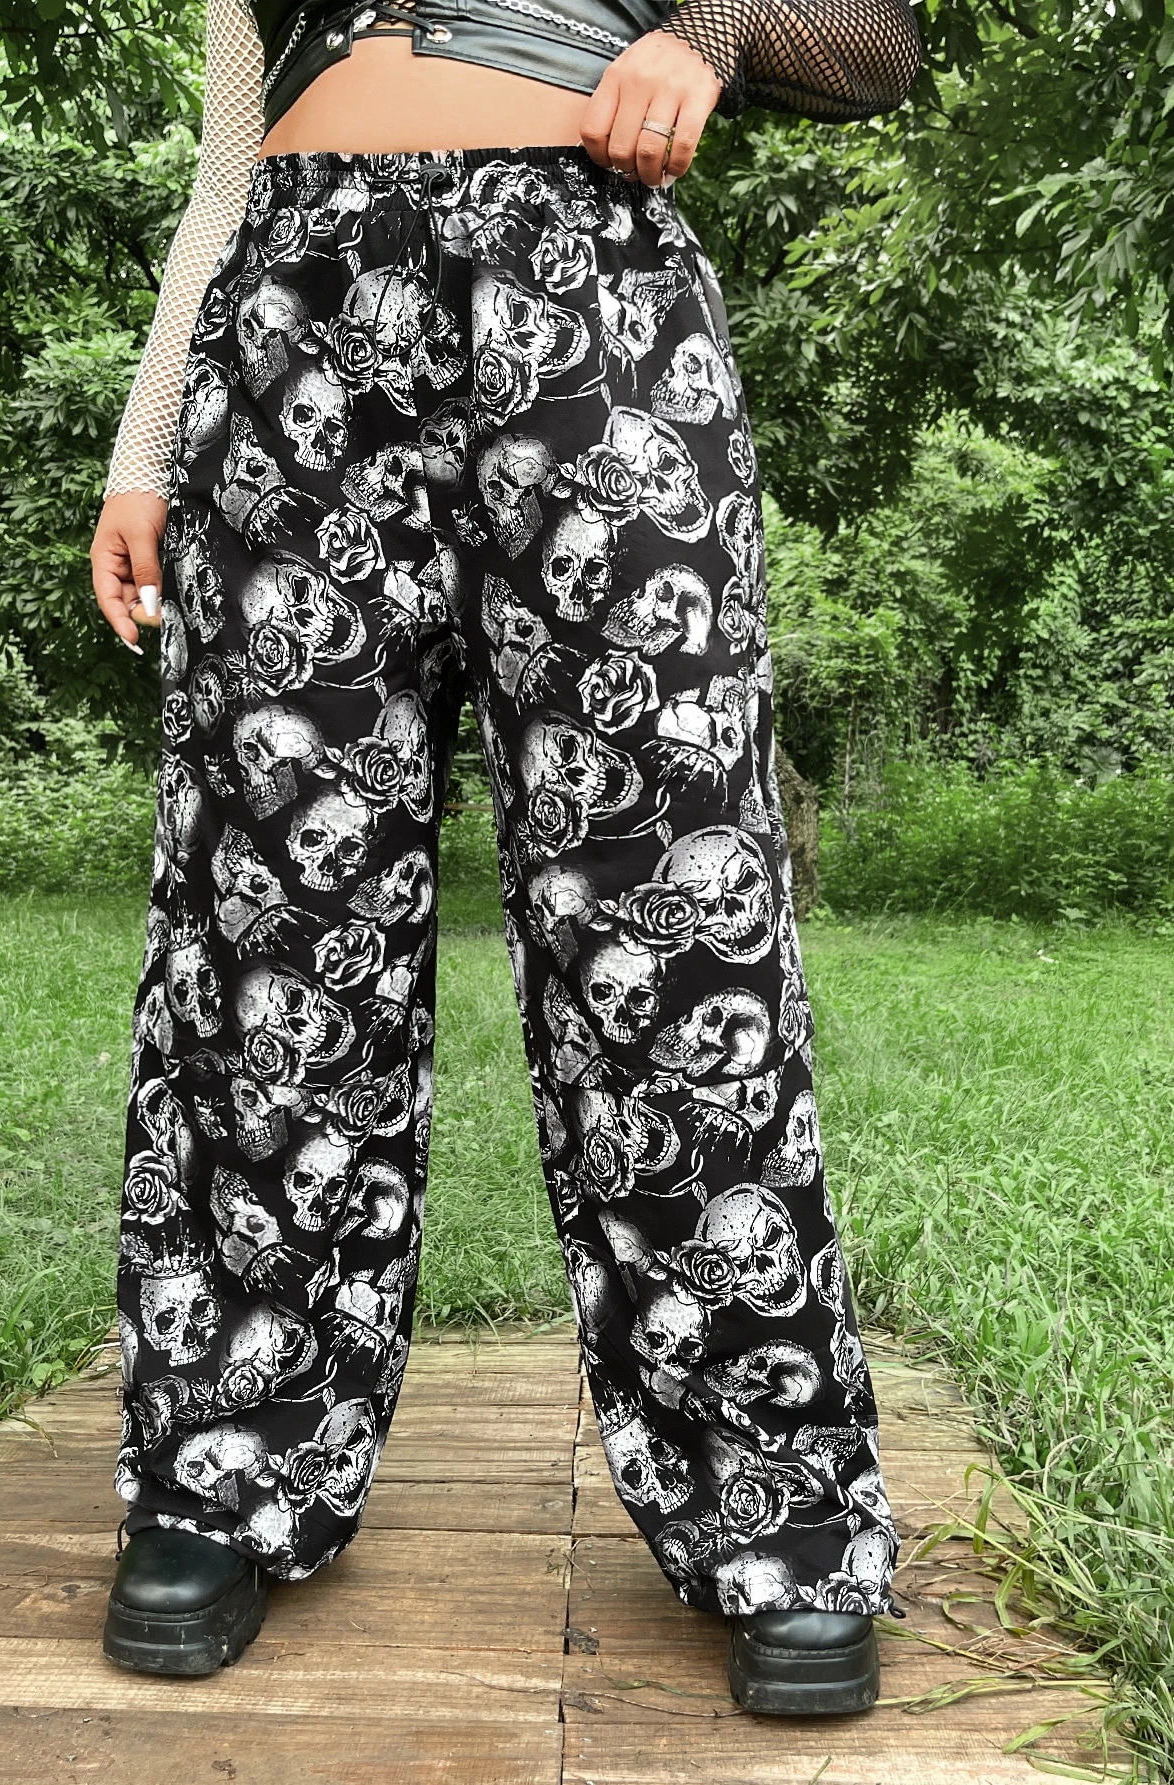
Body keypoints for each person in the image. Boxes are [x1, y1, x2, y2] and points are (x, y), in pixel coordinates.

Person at [88, 0, 921, 1711]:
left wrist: (710, 34)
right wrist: (143, 451)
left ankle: (775, 1508)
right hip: (294, 322)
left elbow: (877, 40)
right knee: (269, 927)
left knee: (667, 919)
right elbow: (227, 161)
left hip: (588, 296)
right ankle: (224, 1470)